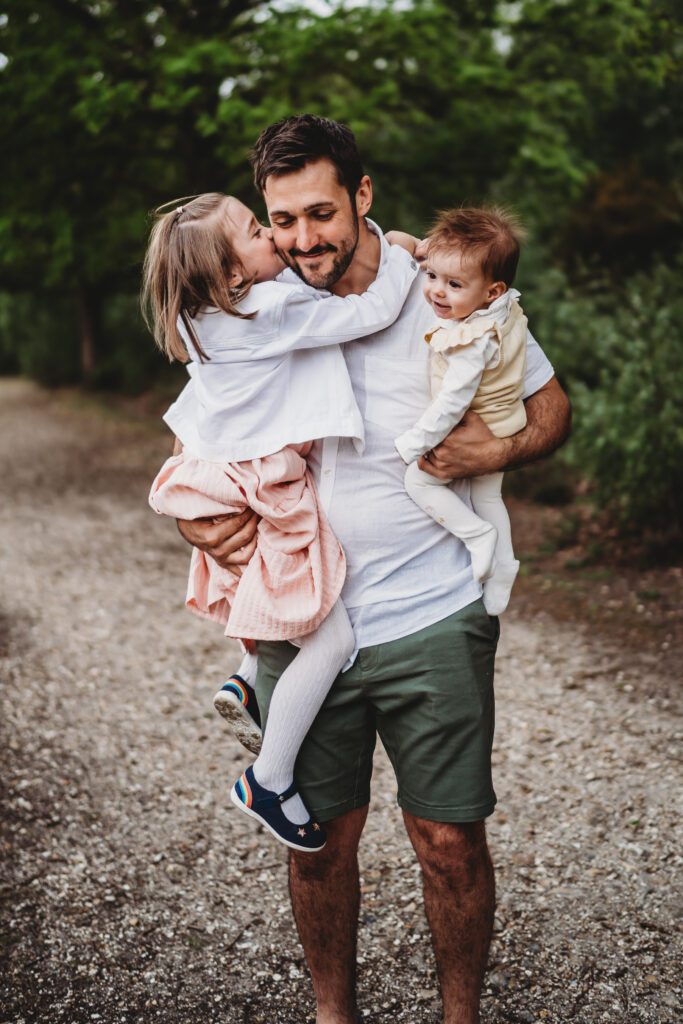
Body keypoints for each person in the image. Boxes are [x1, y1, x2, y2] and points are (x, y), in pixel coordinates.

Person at [175, 116, 571, 1024]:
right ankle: (331, 1016)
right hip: (304, 615)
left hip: (433, 610)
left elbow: (551, 409)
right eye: (282, 220)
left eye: (321, 211)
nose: (303, 237)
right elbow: (204, 444)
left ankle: (458, 1016)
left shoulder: (445, 294)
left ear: (362, 196)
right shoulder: (251, 311)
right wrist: (203, 525)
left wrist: (490, 448)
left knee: (447, 838)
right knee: (318, 847)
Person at [142, 191, 419, 853]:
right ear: (234, 275)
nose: (270, 233)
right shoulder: (269, 308)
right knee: (328, 639)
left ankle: (246, 673)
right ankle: (267, 778)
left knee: (270, 579)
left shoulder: (201, 319)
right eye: (253, 228)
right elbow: (372, 310)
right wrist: (403, 255)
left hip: (225, 476)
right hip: (272, 485)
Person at [395, 206, 530, 616]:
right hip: (505, 419)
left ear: (491, 291)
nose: (436, 291)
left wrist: (415, 441)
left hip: (482, 427)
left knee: (418, 482)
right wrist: (420, 248)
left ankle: (475, 536)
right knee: (489, 497)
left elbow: (453, 401)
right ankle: (504, 565)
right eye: (431, 275)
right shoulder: (500, 309)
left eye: (454, 284)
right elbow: (428, 252)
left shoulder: (472, 340)